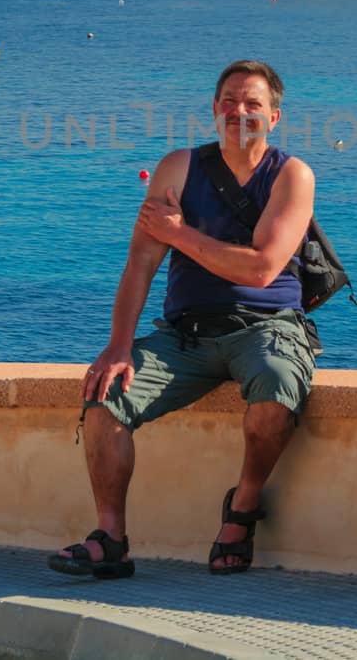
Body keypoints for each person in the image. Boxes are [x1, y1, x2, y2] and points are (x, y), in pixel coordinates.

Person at [49, 60, 320, 579]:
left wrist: (180, 235)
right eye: (228, 101)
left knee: (278, 391)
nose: (239, 111)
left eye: (253, 104)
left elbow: (262, 269)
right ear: (214, 108)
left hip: (269, 327)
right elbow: (140, 264)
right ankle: (109, 538)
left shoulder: (292, 175)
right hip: (187, 333)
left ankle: (242, 508)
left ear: (275, 116)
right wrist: (118, 344)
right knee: (104, 395)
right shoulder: (178, 168)